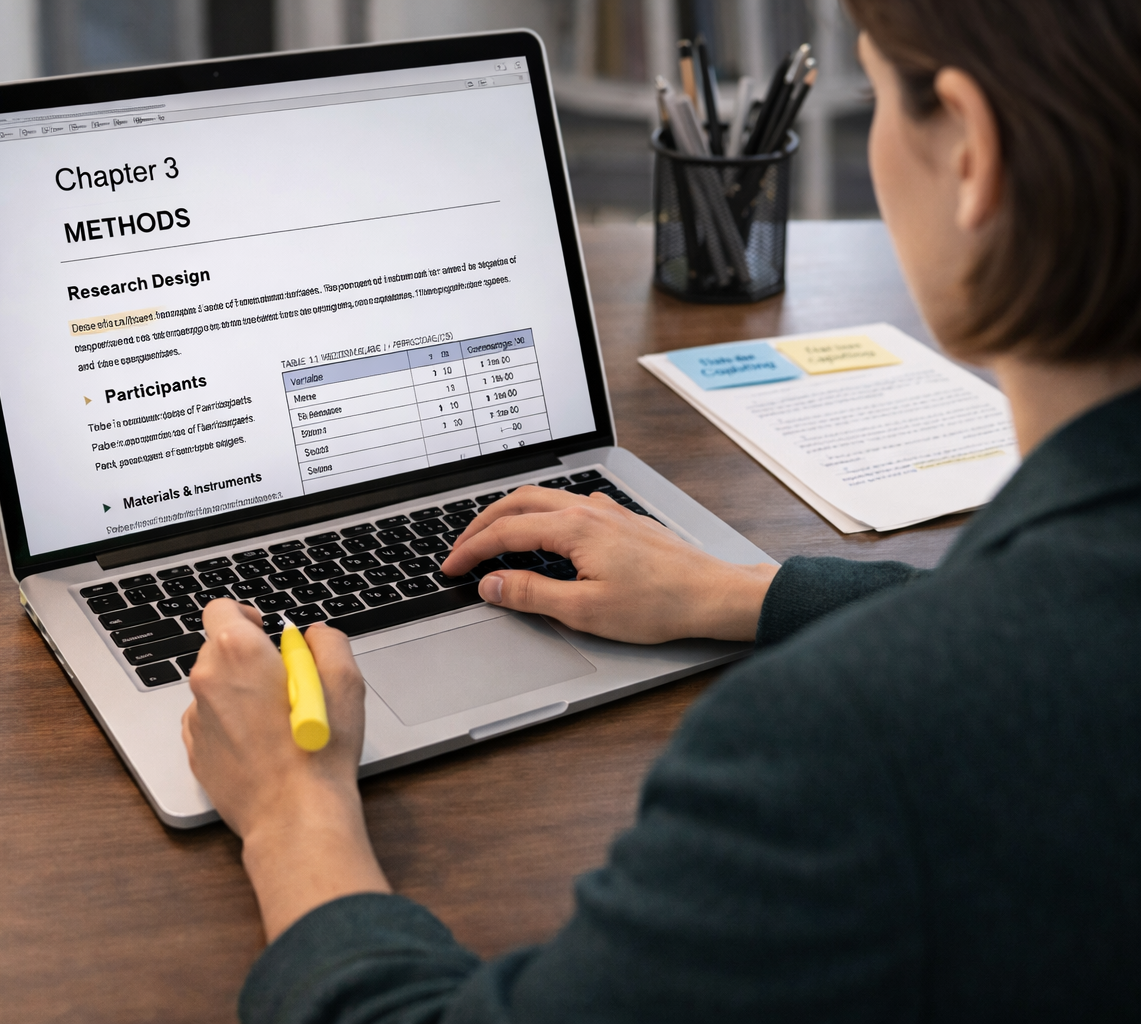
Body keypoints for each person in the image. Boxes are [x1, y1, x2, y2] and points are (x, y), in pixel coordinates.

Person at [181, 0, 1141, 1018]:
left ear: (970, 151)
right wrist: (748, 593)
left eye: (876, 97)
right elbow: (1058, 617)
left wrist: (294, 814)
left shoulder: (836, 745)